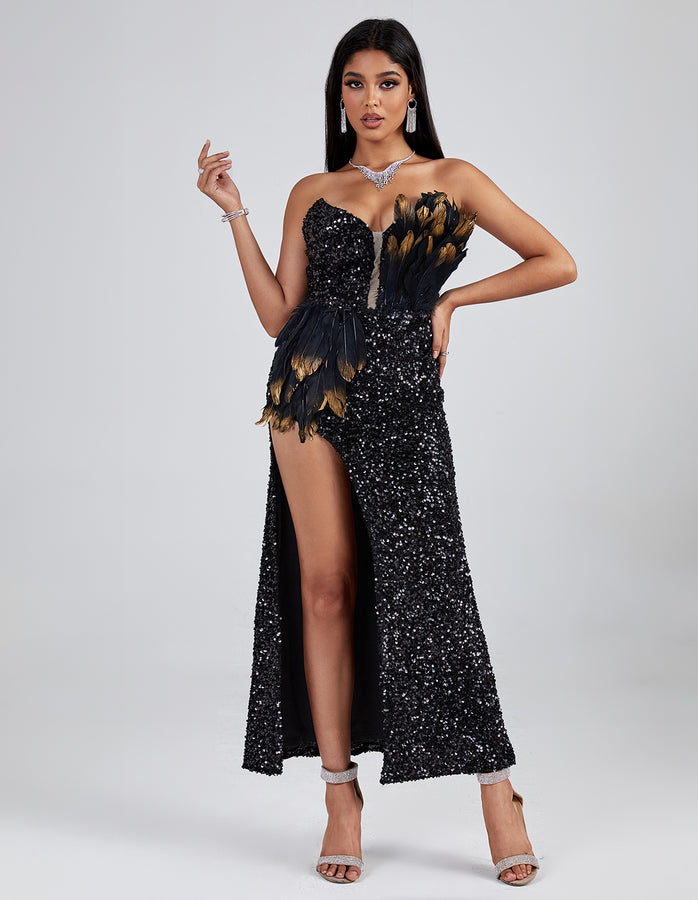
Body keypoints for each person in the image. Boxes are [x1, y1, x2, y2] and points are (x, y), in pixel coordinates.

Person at [197, 17, 576, 887]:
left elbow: (555, 261)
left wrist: (452, 303)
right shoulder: (311, 189)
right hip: (308, 388)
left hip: (404, 389)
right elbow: (280, 314)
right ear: (339, 96)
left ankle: (497, 788)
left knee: (433, 585)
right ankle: (341, 795)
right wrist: (235, 214)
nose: (371, 99)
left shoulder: (453, 178)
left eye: (387, 83)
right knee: (325, 590)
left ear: (412, 92)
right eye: (355, 83)